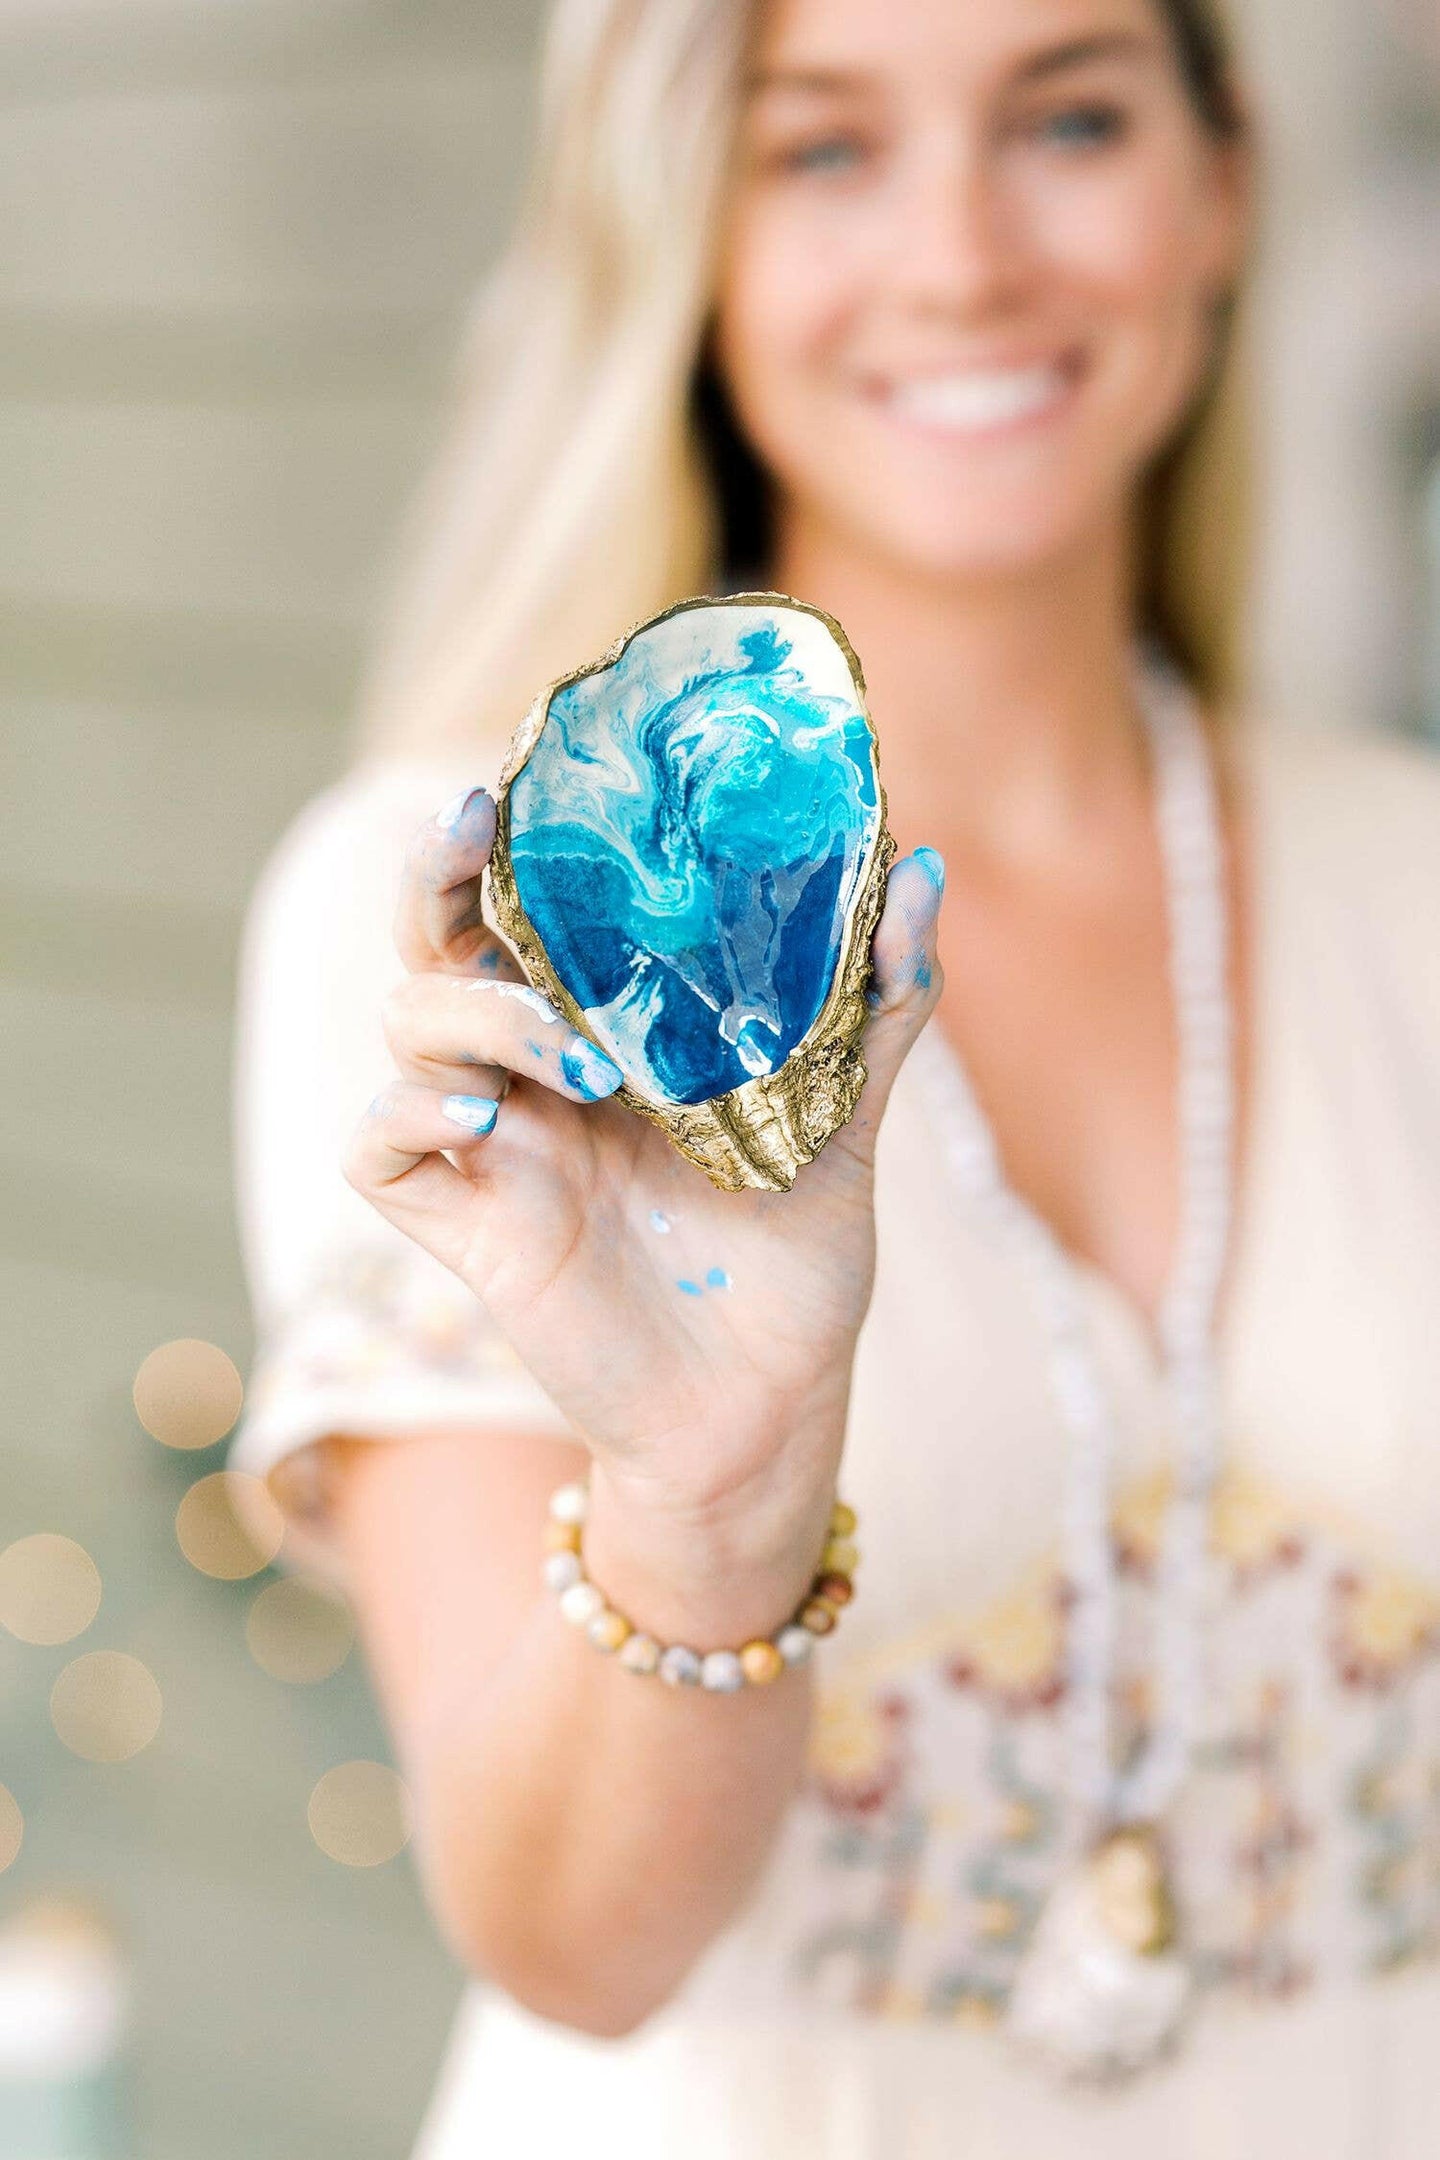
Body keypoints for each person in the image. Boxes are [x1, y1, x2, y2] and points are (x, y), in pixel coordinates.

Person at [228, 0, 1440, 2151]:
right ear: (679, 224)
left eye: (1067, 116)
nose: (965, 255)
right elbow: (577, 1953)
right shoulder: (476, 927)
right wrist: (713, 1493)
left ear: (1223, 179)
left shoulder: (1413, 882)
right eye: (825, 148)